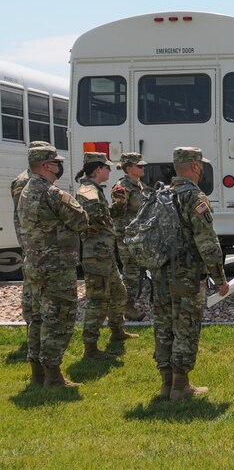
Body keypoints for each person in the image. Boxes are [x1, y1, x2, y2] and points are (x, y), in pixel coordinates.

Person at [152, 147, 228, 401]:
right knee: (185, 327)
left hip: (161, 274)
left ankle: (166, 384)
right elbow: (207, 243)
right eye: (201, 165)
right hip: (186, 275)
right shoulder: (195, 198)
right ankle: (181, 386)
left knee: (164, 326)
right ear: (195, 167)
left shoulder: (161, 194)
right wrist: (220, 278)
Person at [17, 145, 88, 387]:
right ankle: (53, 376)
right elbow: (81, 220)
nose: (59, 166)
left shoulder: (25, 190)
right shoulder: (52, 193)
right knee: (58, 318)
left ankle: (37, 374)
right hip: (56, 266)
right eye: (56, 162)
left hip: (34, 265)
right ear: (47, 165)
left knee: (37, 318)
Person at [75, 152, 138, 360]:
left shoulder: (96, 190)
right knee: (97, 301)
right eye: (107, 167)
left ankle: (117, 332)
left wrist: (118, 205)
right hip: (96, 256)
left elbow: (105, 217)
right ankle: (90, 348)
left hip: (105, 253)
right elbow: (94, 218)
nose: (110, 171)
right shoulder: (87, 192)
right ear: (97, 169)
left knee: (119, 293)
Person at [11, 141, 53, 332]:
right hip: (30, 235)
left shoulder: (35, 177)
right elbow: (25, 212)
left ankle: (38, 319)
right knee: (31, 279)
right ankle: (31, 320)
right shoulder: (24, 181)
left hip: (35, 235)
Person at [111, 152, 148, 322]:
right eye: (139, 166)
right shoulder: (122, 187)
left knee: (138, 272)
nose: (143, 168)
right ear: (129, 168)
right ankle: (127, 307)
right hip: (127, 236)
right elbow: (118, 213)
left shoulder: (139, 185)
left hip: (139, 236)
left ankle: (130, 303)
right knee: (131, 273)